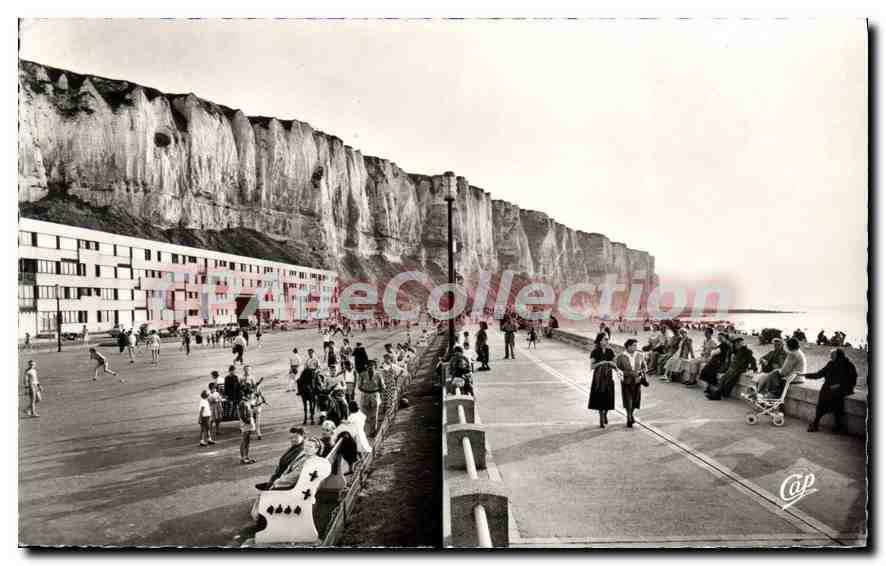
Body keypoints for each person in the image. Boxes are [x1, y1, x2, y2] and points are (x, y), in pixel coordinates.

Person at [802, 349, 858, 434]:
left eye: (832, 355)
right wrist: (805, 375)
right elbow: (819, 374)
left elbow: (852, 379)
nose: (830, 356)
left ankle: (834, 426)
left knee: (835, 397)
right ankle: (816, 423)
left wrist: (839, 385)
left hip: (844, 389)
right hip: (830, 389)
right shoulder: (830, 364)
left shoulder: (848, 365)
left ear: (838, 355)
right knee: (825, 393)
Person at [255, 426, 306, 491]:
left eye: (295, 437)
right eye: (291, 437)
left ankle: (269, 486)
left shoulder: (301, 450)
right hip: (280, 477)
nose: (292, 439)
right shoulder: (296, 446)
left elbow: (292, 472)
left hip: (285, 479)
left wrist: (276, 483)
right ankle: (269, 485)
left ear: (303, 436)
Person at [615, 339, 648, 427]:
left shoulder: (640, 355)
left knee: (635, 400)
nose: (636, 347)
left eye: (636, 345)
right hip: (626, 381)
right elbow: (618, 370)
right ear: (628, 346)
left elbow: (645, 367)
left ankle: (631, 414)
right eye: (634, 345)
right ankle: (629, 417)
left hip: (637, 381)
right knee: (628, 400)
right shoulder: (621, 357)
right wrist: (628, 373)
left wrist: (641, 372)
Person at [588, 332, 617, 428]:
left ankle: (605, 414)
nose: (607, 341)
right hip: (598, 378)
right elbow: (592, 366)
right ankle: (601, 418)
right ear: (600, 341)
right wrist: (601, 363)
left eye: (608, 339)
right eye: (605, 339)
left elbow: (615, 365)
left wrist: (609, 363)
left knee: (609, 397)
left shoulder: (610, 351)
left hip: (608, 377)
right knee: (600, 397)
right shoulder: (595, 352)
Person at [358, 360, 385, 436]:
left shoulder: (378, 375)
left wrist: (376, 391)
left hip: (374, 395)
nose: (370, 367)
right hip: (365, 395)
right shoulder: (362, 374)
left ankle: (373, 432)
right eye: (368, 366)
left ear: (374, 366)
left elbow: (382, 386)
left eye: (372, 366)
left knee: (374, 415)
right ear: (366, 367)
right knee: (364, 415)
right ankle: (365, 432)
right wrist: (366, 391)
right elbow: (359, 386)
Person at [298, 349, 321, 425]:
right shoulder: (307, 360)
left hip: (314, 373)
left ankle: (319, 392)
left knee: (319, 382)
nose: (310, 354)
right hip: (308, 374)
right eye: (309, 353)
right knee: (299, 380)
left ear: (313, 353)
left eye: (311, 353)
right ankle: (299, 391)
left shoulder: (316, 359)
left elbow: (319, 368)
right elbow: (305, 367)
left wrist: (315, 371)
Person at [238, 383, 256, 464]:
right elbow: (242, 416)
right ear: (248, 394)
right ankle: (243, 458)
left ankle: (246, 456)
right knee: (244, 440)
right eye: (251, 394)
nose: (252, 396)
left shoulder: (247, 401)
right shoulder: (242, 403)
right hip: (246, 424)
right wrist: (249, 422)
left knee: (248, 441)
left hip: (249, 423)